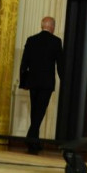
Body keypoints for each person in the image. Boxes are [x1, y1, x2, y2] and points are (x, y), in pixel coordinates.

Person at [19, 16, 63, 154]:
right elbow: (60, 64)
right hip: (46, 83)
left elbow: (24, 63)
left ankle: (34, 142)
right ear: (52, 27)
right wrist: (64, 80)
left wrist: (23, 82)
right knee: (39, 112)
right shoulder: (56, 41)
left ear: (42, 25)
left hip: (32, 81)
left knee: (35, 111)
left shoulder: (31, 40)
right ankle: (31, 140)